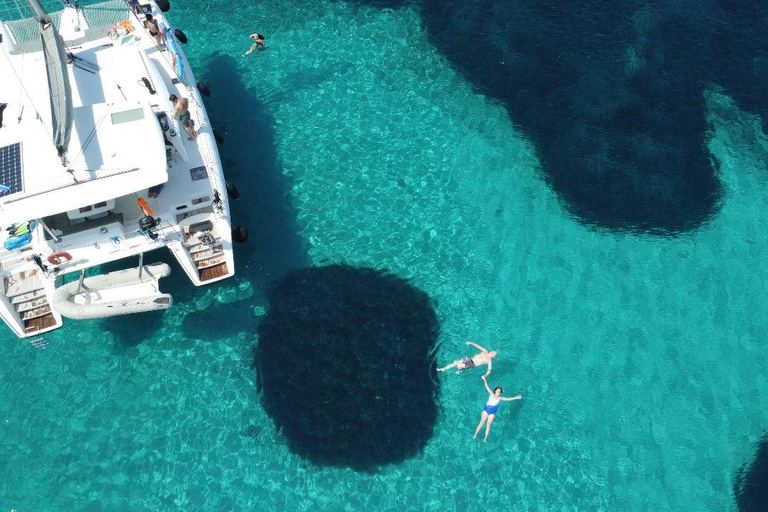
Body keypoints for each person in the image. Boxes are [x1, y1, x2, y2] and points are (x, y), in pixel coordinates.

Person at [473, 375, 522, 442]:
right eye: (498, 390)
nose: (499, 391)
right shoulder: (491, 394)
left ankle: (485, 437)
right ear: (495, 391)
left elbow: (508, 399)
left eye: (500, 391)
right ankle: (475, 434)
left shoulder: (500, 398)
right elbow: (486, 386)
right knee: (482, 422)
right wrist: (484, 379)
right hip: (486, 409)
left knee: (488, 424)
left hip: (492, 411)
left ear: (500, 393)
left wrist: (516, 397)